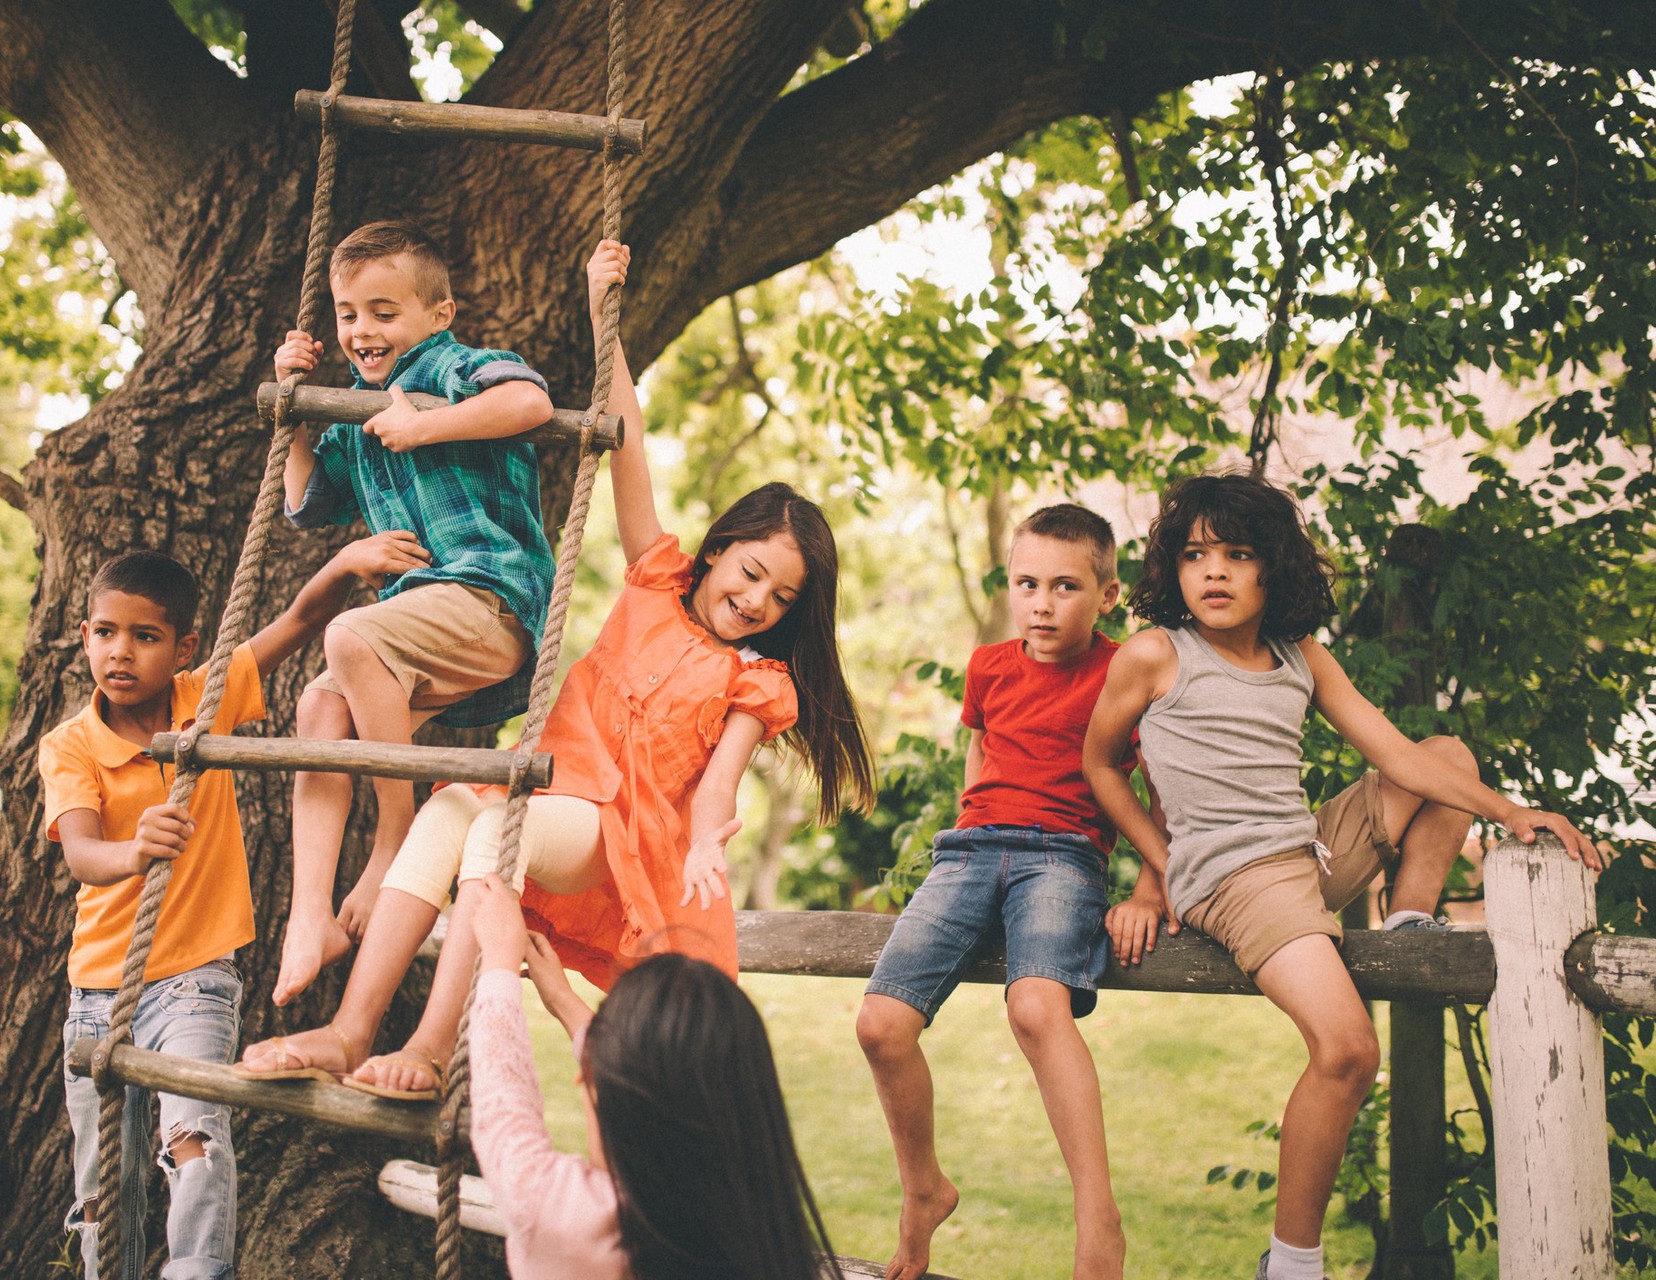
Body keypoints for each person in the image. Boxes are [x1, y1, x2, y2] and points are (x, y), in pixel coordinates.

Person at [235, 238, 874, 1098]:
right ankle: (351, 1032)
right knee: (450, 809)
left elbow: (720, 783)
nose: (758, 601)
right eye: (751, 573)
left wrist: (707, 840)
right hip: (552, 791)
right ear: (717, 554)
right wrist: (599, 313)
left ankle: (427, 1047)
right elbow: (628, 435)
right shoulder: (656, 580)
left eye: (782, 598)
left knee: (491, 828)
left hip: (619, 837)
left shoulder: (758, 681)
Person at [1084, 471, 1601, 1280]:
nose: (1214, 571)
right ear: (1172, 571)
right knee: (1349, 1051)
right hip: (1235, 879)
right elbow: (1101, 764)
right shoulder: (1159, 654)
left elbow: (1392, 756)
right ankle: (1292, 1264)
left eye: (1238, 553)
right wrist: (1163, 860)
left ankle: (1409, 918)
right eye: (1195, 555)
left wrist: (1510, 812)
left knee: (1444, 758)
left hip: (1309, 852)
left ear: (1274, 568)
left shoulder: (1301, 657)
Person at [40, 540, 422, 1279]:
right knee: (101, 1183)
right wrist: (134, 851)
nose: (120, 653)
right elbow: (82, 853)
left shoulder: (202, 700)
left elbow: (299, 619)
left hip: (193, 983)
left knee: (194, 1141)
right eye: (105, 633)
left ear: (182, 647)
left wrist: (345, 564)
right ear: (85, 635)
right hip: (96, 994)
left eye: (145, 636)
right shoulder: (69, 746)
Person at [271, 218, 559, 1008]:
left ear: (439, 313)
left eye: (383, 311)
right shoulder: (352, 411)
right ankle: (310, 915)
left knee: (349, 635)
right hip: (423, 624)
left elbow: (529, 402)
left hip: (492, 599)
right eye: (348, 313)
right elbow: (305, 503)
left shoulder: (459, 367)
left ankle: (391, 842)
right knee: (320, 704)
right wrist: (295, 412)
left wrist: (425, 422)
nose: (362, 330)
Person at [855, 505, 1133, 1280]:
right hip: (970, 852)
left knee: (1036, 1008)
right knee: (880, 1023)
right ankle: (923, 1192)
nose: (1042, 603)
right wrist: (967, 828)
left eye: (1066, 586)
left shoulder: (1125, 668)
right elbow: (981, 747)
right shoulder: (988, 666)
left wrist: (1153, 882)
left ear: (1108, 594)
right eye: (1027, 584)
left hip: (1064, 856)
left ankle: (1097, 1219)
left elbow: (1155, 779)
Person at [467, 871, 842, 1280]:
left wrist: (498, 962)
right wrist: (561, 999)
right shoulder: (757, 1222)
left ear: (590, 1082)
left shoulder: (575, 1220)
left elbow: (503, 1106)